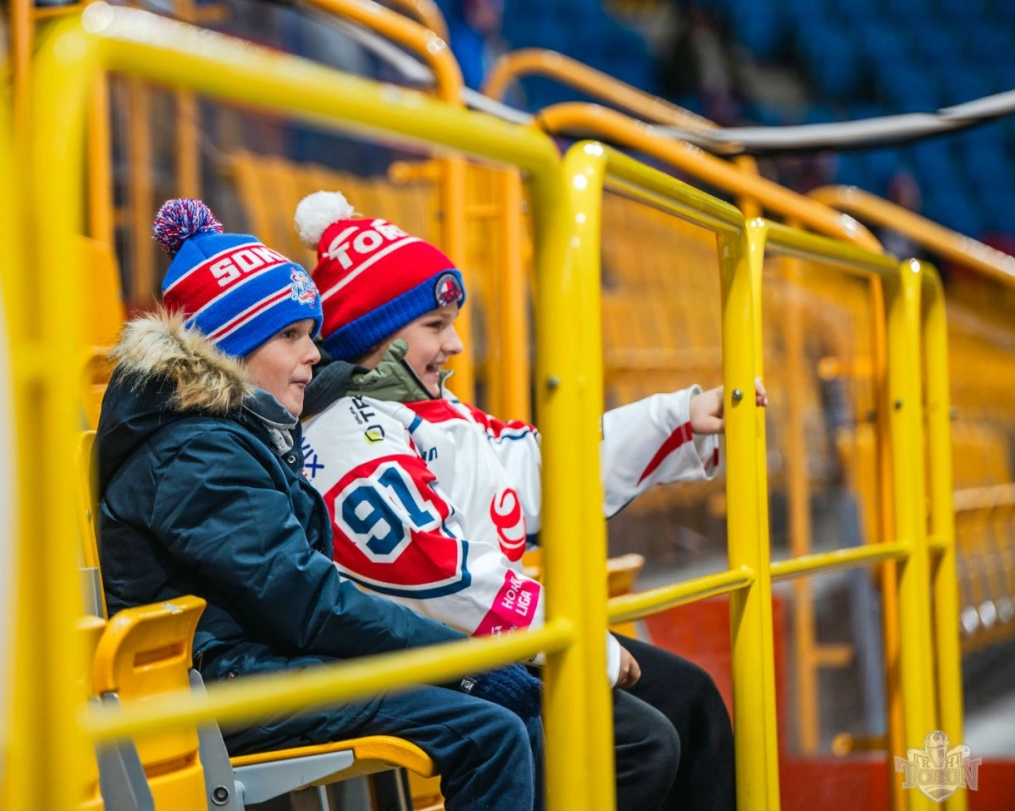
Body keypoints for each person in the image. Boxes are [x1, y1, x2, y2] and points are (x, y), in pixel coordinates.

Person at [295, 191, 756, 811]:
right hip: (432, 658)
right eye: (435, 326)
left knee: (690, 698)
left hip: (491, 642)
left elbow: (538, 467)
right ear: (373, 335)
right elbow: (443, 574)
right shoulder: (343, 436)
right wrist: (572, 639)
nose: (456, 345)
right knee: (641, 746)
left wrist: (678, 418)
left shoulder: (434, 412)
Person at [97, 198, 547, 811]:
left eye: (311, 334)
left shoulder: (227, 434)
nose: (314, 353)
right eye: (290, 336)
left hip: (254, 664)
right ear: (226, 349)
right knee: (487, 730)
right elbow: (306, 601)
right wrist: (459, 659)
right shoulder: (194, 453)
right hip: (222, 683)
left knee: (502, 706)